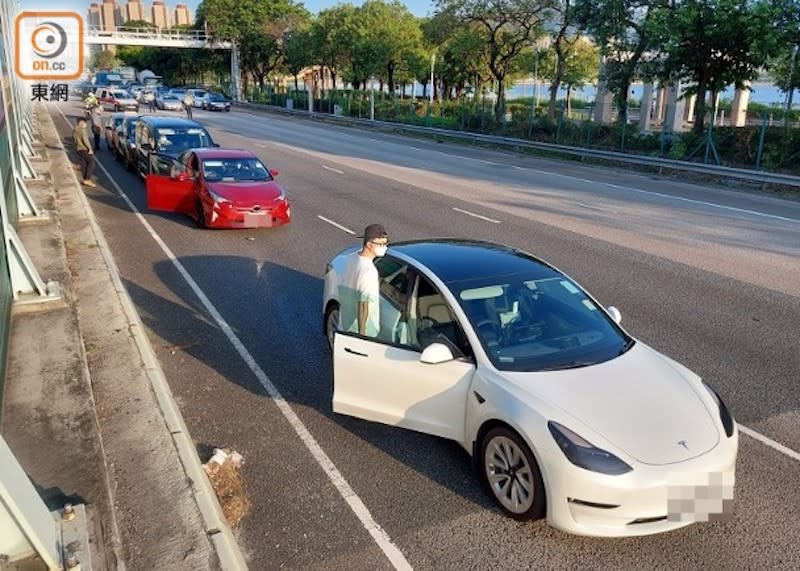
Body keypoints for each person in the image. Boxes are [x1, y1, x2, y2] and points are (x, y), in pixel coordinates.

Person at [337, 224, 389, 338]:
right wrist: (362, 337)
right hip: (363, 331)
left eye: (386, 243)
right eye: (381, 244)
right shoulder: (368, 271)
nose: (384, 247)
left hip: (344, 324)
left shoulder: (349, 258)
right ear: (369, 245)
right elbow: (363, 306)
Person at [73, 117, 95, 187]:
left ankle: (85, 179)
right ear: (81, 123)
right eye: (85, 123)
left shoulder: (75, 130)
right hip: (84, 149)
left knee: (84, 164)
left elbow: (74, 140)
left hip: (78, 149)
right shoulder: (83, 130)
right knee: (91, 162)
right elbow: (85, 140)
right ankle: (87, 179)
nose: (86, 124)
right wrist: (90, 148)